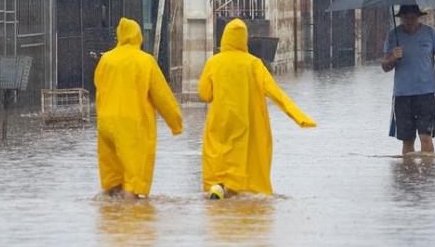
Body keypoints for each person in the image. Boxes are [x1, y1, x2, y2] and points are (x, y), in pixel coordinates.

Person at [198, 18, 316, 199]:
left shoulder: (213, 63)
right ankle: (236, 193)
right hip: (245, 122)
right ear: (244, 39)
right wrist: (299, 117)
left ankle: (219, 187)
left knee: (219, 156)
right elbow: (275, 93)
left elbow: (204, 94)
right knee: (241, 158)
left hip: (219, 121)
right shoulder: (254, 64)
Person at [95, 17, 182, 199]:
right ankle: (132, 221)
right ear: (138, 36)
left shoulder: (106, 60)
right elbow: (162, 96)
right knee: (132, 186)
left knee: (112, 182)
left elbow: (99, 88)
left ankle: (110, 222)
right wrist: (176, 123)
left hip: (106, 124)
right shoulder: (145, 61)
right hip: (132, 126)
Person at [382, 5, 435, 155]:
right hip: (402, 95)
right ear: (401, 18)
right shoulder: (393, 35)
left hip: (426, 94)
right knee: (407, 140)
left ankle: (427, 175)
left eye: (412, 17)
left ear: (418, 16)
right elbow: (385, 67)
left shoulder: (431, 33)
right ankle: (409, 175)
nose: (409, 21)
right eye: (405, 18)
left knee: (425, 137)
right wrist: (393, 57)